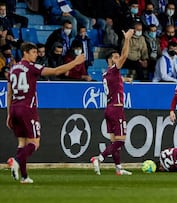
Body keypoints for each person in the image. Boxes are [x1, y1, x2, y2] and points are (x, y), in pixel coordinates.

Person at [6, 42, 85, 184]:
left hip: (15, 108)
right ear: (25, 53)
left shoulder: (13, 69)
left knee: (22, 143)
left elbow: (9, 93)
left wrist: (8, 114)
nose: (36, 55)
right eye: (34, 52)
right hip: (27, 108)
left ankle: (24, 177)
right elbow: (55, 71)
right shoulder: (31, 67)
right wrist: (75, 62)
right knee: (34, 143)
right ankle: (16, 161)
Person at [90, 29, 134, 176]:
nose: (118, 58)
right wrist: (127, 39)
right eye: (115, 57)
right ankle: (99, 158)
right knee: (120, 141)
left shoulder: (106, 74)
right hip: (116, 108)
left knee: (115, 142)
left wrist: (125, 80)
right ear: (110, 61)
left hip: (108, 108)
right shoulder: (114, 70)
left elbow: (116, 82)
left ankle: (118, 168)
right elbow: (126, 55)